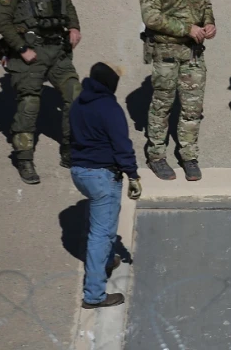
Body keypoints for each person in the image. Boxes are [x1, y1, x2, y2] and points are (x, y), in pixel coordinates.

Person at [0, 0, 82, 184]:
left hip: (57, 52)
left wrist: (74, 27)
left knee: (75, 95)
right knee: (30, 105)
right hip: (29, 54)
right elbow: (3, 23)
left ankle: (69, 149)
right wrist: (22, 49)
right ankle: (24, 158)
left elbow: (69, 4)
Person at [139, 0, 216, 181]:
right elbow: (151, 17)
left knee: (192, 109)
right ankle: (157, 156)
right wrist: (187, 28)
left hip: (193, 54)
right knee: (162, 106)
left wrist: (209, 22)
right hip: (167, 54)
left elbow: (204, 1)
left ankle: (189, 156)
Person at [69, 62, 143, 309]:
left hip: (80, 172)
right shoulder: (109, 108)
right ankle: (94, 295)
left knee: (106, 224)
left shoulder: (79, 103)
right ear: (110, 83)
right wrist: (133, 175)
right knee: (101, 234)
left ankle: (108, 260)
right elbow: (122, 145)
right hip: (102, 176)